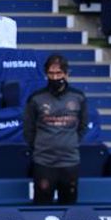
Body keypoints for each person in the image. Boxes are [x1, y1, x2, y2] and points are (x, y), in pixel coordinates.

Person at [24, 54, 86, 205]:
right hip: (44, 163)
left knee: (69, 208)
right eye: (51, 74)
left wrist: (69, 143)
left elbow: (82, 127)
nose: (55, 77)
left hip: (70, 162)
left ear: (66, 74)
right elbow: (28, 130)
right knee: (41, 208)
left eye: (58, 73)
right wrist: (42, 146)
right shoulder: (36, 98)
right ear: (46, 74)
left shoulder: (78, 97)